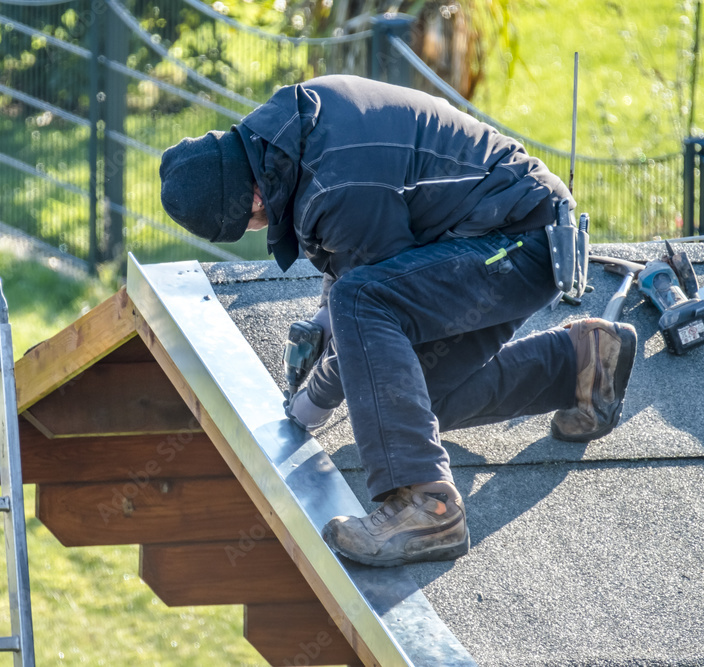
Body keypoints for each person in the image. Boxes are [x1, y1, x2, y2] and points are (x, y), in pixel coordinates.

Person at [158, 75, 637, 567]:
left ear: (254, 200)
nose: (259, 228)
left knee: (361, 310)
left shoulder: (334, 181)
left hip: (518, 241)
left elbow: (367, 308)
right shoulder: (302, 132)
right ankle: (581, 364)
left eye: (250, 224)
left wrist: (307, 409)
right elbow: (374, 281)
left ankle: (426, 506)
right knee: (403, 402)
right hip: (495, 238)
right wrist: (324, 325)